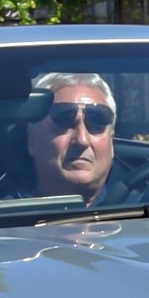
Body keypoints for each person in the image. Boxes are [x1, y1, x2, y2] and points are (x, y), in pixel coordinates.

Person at [23, 71, 117, 204]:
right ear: (32, 141)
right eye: (65, 122)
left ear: (112, 144)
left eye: (97, 123)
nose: (82, 140)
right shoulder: (2, 220)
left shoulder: (145, 212)